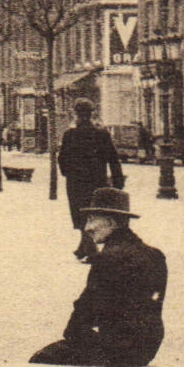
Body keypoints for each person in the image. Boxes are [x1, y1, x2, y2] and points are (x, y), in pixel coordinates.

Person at [30, 187, 167, 367]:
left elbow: (85, 311)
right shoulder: (155, 255)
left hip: (116, 349)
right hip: (146, 346)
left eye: (93, 220)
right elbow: (152, 306)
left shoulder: (107, 259)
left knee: (43, 360)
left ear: (112, 222)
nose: (87, 228)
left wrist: (74, 335)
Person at [57, 99, 124, 260]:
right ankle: (84, 246)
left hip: (76, 182)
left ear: (76, 114)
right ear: (91, 114)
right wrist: (118, 180)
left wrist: (68, 173)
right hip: (97, 180)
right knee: (93, 212)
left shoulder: (69, 135)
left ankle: (89, 248)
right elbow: (113, 158)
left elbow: (62, 159)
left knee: (80, 211)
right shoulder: (102, 134)